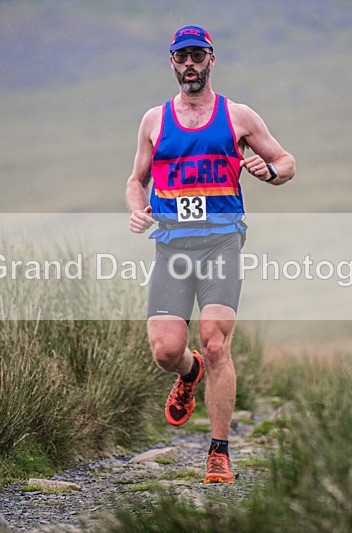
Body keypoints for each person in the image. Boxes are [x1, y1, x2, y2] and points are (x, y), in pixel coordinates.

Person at [125, 25, 295, 484]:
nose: (190, 64)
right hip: (171, 247)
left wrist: (268, 171)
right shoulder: (154, 121)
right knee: (166, 351)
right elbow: (136, 179)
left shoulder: (237, 116)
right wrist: (136, 210)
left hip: (222, 242)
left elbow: (286, 163)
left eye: (198, 55)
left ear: (212, 60)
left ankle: (218, 453)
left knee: (216, 342)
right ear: (172, 62)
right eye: (182, 57)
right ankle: (189, 371)